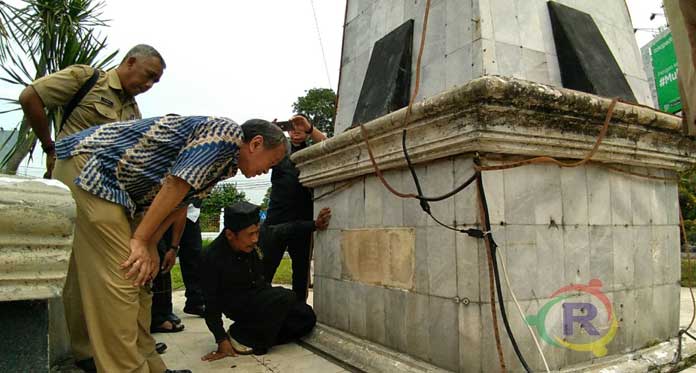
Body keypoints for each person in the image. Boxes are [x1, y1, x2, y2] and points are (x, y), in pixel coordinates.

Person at [52, 115, 286, 372]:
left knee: (141, 279)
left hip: (122, 191)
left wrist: (151, 244)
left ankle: (150, 365)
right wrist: (140, 239)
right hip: (90, 167)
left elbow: (181, 202)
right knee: (125, 275)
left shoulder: (227, 165)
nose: (267, 170)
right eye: (271, 162)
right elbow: (176, 182)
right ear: (255, 143)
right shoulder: (227, 134)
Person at [201, 201, 329, 361]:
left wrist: (315, 224)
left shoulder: (259, 238)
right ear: (230, 235)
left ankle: (254, 339)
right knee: (286, 296)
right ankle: (238, 334)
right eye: (250, 234)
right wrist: (221, 339)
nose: (255, 239)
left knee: (305, 317)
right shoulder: (211, 257)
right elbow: (210, 304)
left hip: (260, 294)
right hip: (237, 303)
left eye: (257, 232)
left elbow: (286, 229)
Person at [19, 44, 166, 179]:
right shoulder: (87, 79)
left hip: (104, 184)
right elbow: (29, 97)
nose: (149, 84)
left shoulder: (134, 112)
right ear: (131, 62)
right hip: (72, 173)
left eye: (155, 81)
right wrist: (50, 148)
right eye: (149, 75)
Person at [262, 115, 327, 302]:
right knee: (265, 270)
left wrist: (310, 128)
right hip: (276, 221)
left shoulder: (313, 150)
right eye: (293, 126)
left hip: (304, 222)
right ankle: (258, 310)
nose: (296, 130)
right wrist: (270, 132)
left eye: (301, 127)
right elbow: (261, 154)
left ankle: (299, 312)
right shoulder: (280, 150)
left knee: (301, 273)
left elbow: (330, 145)